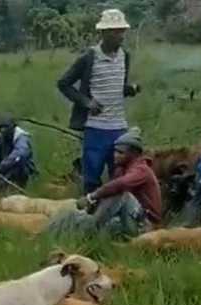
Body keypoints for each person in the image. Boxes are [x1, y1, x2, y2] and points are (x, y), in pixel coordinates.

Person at [57, 9, 140, 195]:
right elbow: (63, 84)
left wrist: (129, 89)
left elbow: (118, 86)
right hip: (96, 128)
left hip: (119, 127)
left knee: (119, 177)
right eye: (115, 31)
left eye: (122, 31)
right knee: (92, 178)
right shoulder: (89, 58)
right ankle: (89, 217)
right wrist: (87, 103)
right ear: (103, 33)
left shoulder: (124, 57)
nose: (121, 36)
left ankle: (113, 217)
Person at [51, 128, 160, 237]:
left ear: (134, 154)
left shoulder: (142, 169)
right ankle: (48, 235)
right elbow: (109, 194)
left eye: (120, 152)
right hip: (126, 218)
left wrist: (91, 197)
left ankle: (91, 227)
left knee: (121, 193)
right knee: (71, 215)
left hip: (145, 225)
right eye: (115, 151)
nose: (115, 155)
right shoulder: (121, 169)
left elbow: (120, 185)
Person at [0, 114, 36, 194]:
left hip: (20, 172)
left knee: (18, 160)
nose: (3, 130)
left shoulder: (21, 138)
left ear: (13, 127)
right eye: (1, 127)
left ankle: (2, 185)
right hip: (4, 171)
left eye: (6, 127)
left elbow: (19, 155)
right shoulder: (1, 138)